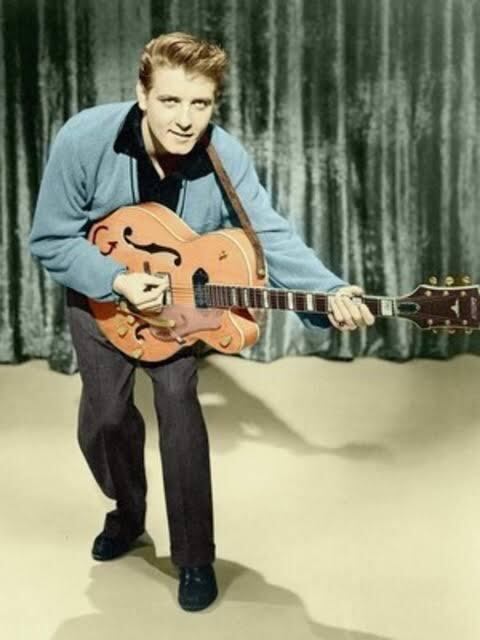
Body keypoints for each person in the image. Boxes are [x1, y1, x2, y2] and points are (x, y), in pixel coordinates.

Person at [29, 32, 375, 612]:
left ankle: (194, 557)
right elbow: (50, 237)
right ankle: (127, 512)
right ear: (142, 93)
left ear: (214, 103)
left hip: (178, 308)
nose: (185, 120)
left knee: (179, 407)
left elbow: (267, 233)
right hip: (99, 293)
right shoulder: (83, 138)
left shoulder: (223, 154)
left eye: (201, 104)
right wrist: (116, 280)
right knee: (107, 416)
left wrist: (330, 291)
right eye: (170, 101)